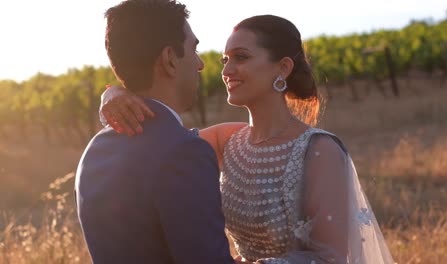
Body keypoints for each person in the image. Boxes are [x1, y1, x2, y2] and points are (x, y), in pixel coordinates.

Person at [100, 14, 394, 264]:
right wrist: (115, 93)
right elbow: (161, 146)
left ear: (283, 68)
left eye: (241, 58)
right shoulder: (226, 140)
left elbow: (331, 257)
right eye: (225, 59)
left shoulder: (319, 149)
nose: (226, 70)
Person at [74, 0, 236, 263]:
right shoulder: (185, 152)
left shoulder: (94, 150)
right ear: (170, 60)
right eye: (193, 49)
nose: (200, 64)